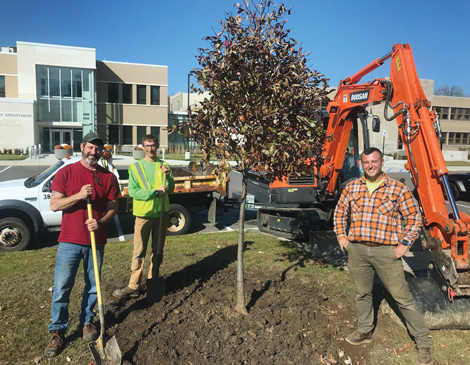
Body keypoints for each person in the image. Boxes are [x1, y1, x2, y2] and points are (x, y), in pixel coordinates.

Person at [333, 147, 432, 365]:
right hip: (357, 250)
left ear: (381, 162)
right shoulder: (352, 188)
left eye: (374, 162)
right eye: (366, 162)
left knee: (402, 298)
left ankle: (423, 342)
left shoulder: (397, 189)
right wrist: (342, 237)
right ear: (361, 164)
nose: (370, 166)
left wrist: (404, 244)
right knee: (362, 293)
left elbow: (414, 218)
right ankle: (364, 330)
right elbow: (340, 213)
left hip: (386, 252)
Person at [44, 133, 121, 358]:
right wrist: (78, 195)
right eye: (90, 147)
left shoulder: (108, 177)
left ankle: (88, 323)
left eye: (97, 149)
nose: (93, 152)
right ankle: (58, 331)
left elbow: (113, 207)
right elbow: (55, 204)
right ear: (82, 147)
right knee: (62, 288)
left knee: (93, 286)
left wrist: (100, 222)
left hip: (95, 241)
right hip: (69, 240)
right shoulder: (66, 172)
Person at [113, 134, 174, 300]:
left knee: (158, 251)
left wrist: (167, 176)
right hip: (144, 215)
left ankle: (152, 280)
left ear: (158, 146)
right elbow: (133, 191)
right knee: (139, 251)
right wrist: (155, 192)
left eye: (153, 145)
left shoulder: (165, 165)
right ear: (142, 147)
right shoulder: (136, 167)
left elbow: (172, 188)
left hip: (162, 214)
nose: (150, 148)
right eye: (147, 145)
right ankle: (133, 285)